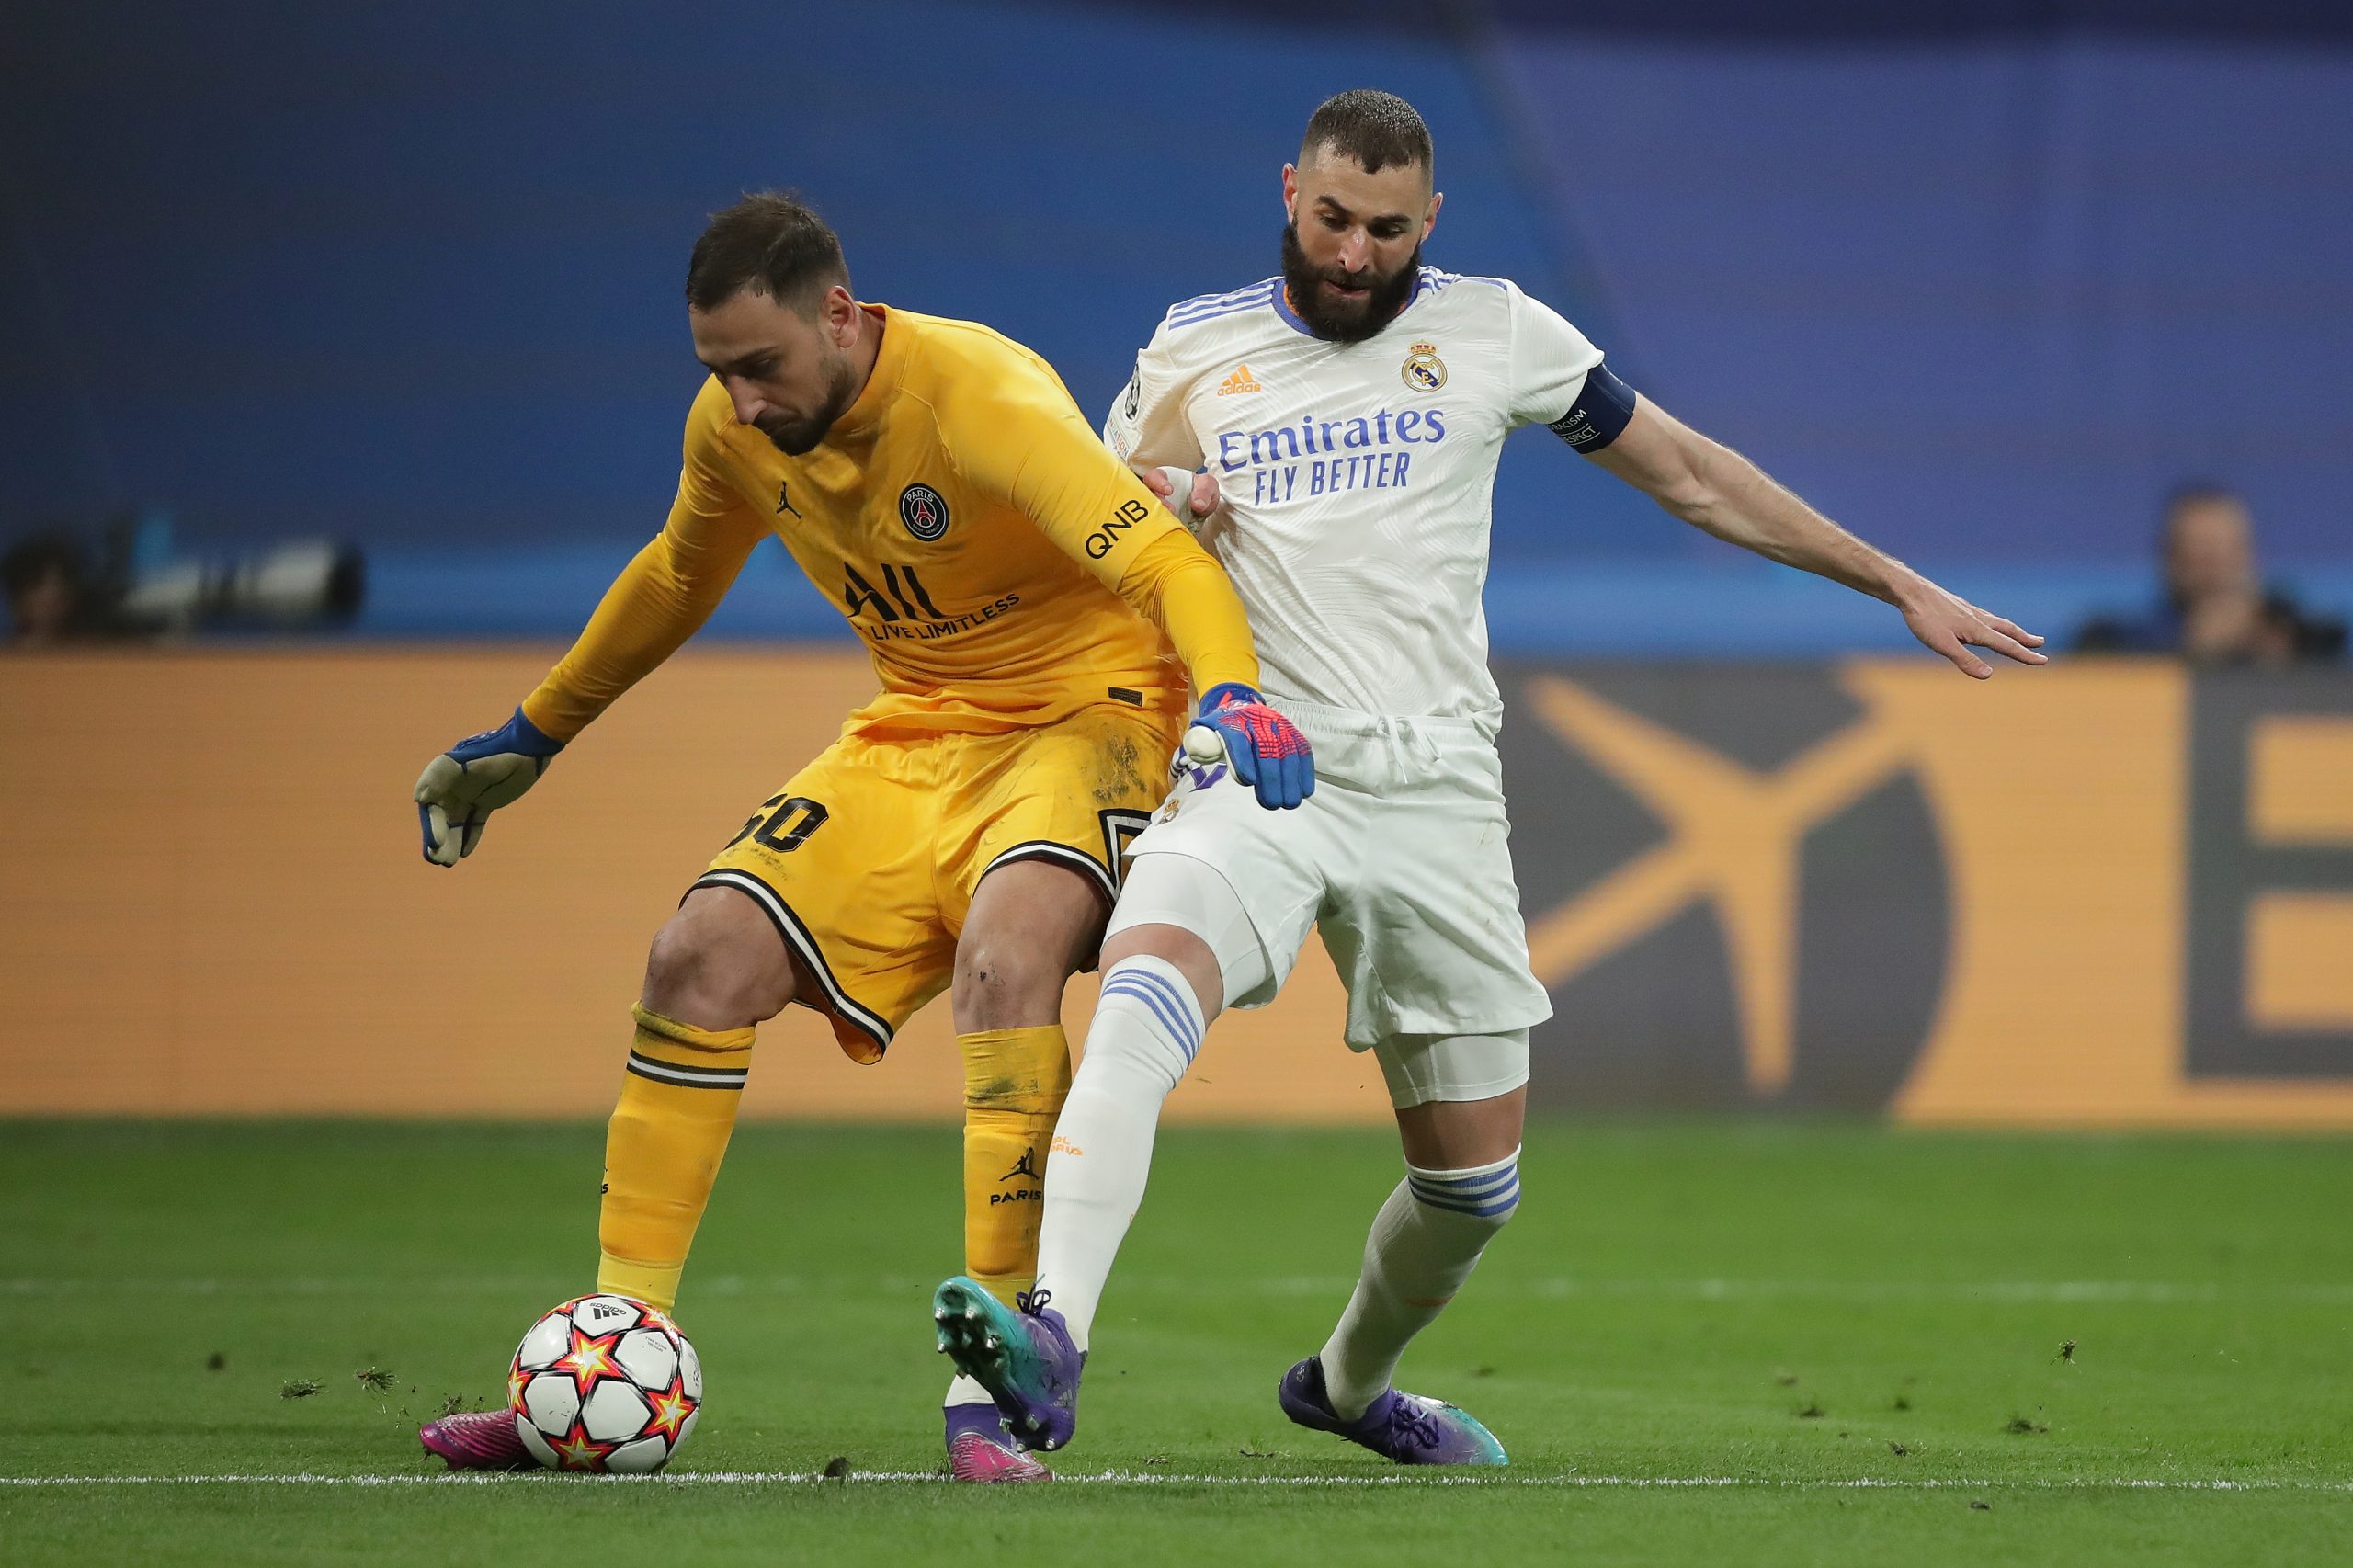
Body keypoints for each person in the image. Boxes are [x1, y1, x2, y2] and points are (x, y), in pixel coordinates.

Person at [929, 89, 2046, 1466]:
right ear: (1291, 190)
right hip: (1262, 764)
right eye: (1333, 218)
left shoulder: (1499, 330)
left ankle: (1344, 1385)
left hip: (1440, 788)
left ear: (1430, 222)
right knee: (1147, 996)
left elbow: (1690, 475)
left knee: (1472, 1187)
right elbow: (1094, 531)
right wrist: (1161, 507)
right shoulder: (1191, 351)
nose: (1353, 254)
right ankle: (1053, 1335)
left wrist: (1892, 580)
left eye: (1386, 230)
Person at [412, 192, 1310, 1483]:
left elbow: (1165, 560)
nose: (741, 400)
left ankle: (990, 1395)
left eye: (761, 365)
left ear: (839, 315)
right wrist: (532, 734)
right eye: (717, 370)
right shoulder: (734, 428)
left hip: (1087, 713)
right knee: (695, 957)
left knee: (1007, 962)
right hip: (917, 732)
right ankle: (602, 1361)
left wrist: (1229, 691)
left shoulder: (979, 394)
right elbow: (676, 574)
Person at [2075, 484, 2345, 664]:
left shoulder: (2299, 633)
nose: (2214, 566)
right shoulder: (2114, 641)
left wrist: (2279, 655)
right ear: (2169, 557)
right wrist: (2192, 652)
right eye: (2199, 551)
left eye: (2226, 549)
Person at [1, 533, 95, 646]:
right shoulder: (7, 656)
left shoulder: (95, 653)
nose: (56, 591)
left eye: (60, 581)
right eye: (36, 586)